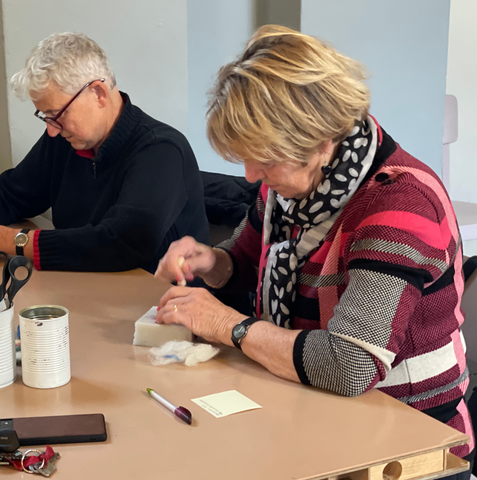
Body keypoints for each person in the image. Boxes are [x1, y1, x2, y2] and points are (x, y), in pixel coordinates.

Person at [155, 25, 474, 473]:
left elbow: (348, 365)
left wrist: (231, 326)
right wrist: (212, 261)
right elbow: (248, 264)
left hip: (407, 443)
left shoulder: (398, 204)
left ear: (323, 141)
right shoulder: (292, 187)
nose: (250, 174)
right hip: (312, 409)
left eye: (264, 157)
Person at [0, 32, 208, 273]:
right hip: (86, 289)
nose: (52, 131)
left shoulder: (160, 151)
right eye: (45, 116)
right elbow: (15, 192)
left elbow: (122, 244)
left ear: (98, 93)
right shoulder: (67, 140)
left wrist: (12, 241)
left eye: (57, 115)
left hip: (155, 308)